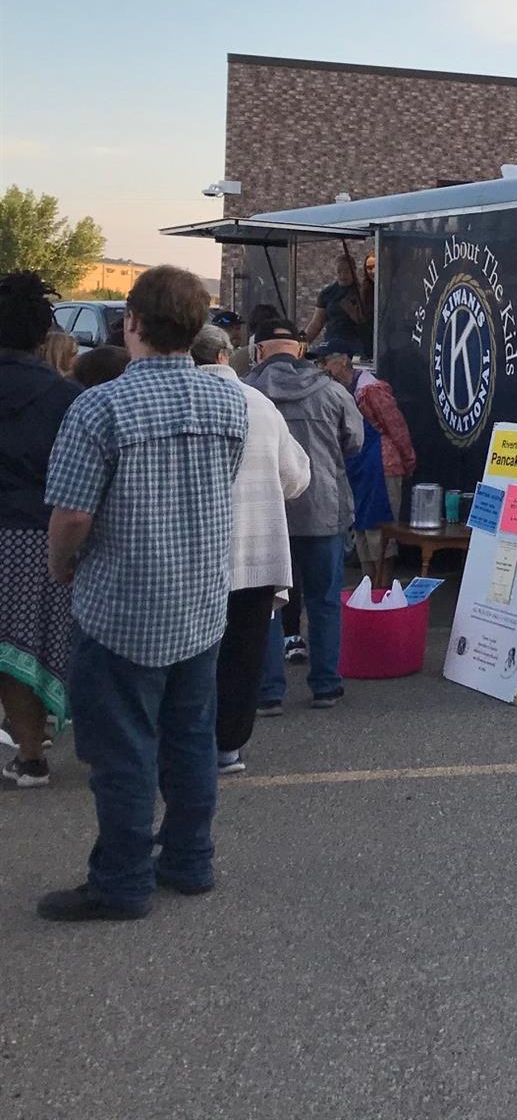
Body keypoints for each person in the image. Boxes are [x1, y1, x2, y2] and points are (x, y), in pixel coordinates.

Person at [38, 265, 247, 921]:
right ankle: (189, 860)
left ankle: (121, 881)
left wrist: (61, 565)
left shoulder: (99, 407)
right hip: (201, 603)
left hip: (122, 607)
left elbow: (72, 517)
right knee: (190, 739)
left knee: (121, 749)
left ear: (131, 322)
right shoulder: (229, 401)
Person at [192, 326, 310, 773]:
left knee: (194, 655)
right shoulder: (260, 405)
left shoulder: (177, 399)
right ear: (226, 357)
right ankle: (229, 746)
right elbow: (297, 477)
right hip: (259, 552)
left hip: (197, 556)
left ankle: (190, 738)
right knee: (243, 655)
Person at [246, 319, 362, 714]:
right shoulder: (332, 391)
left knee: (266, 604)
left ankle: (268, 692)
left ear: (258, 351)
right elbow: (355, 441)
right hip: (323, 510)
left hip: (265, 514)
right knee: (325, 600)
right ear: (298, 350)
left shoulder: (246, 393)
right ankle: (326, 686)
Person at [0, 273, 80, 788]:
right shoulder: (63, 396)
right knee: (28, 644)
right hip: (36, 534)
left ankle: (26, 746)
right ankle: (32, 750)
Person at [317, 349, 413, 583]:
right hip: (358, 466)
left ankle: (382, 587)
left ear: (343, 361)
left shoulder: (371, 390)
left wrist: (408, 459)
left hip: (381, 464)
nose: (323, 368)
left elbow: (396, 426)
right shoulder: (339, 392)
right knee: (361, 526)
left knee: (380, 528)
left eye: (326, 362)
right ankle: (369, 584)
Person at [304, 248, 371, 357]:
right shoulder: (327, 293)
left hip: (353, 342)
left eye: (347, 271)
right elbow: (316, 324)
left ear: (354, 271)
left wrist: (353, 313)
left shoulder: (362, 292)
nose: (343, 275)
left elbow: (367, 323)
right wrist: (299, 345)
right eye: (339, 271)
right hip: (331, 341)